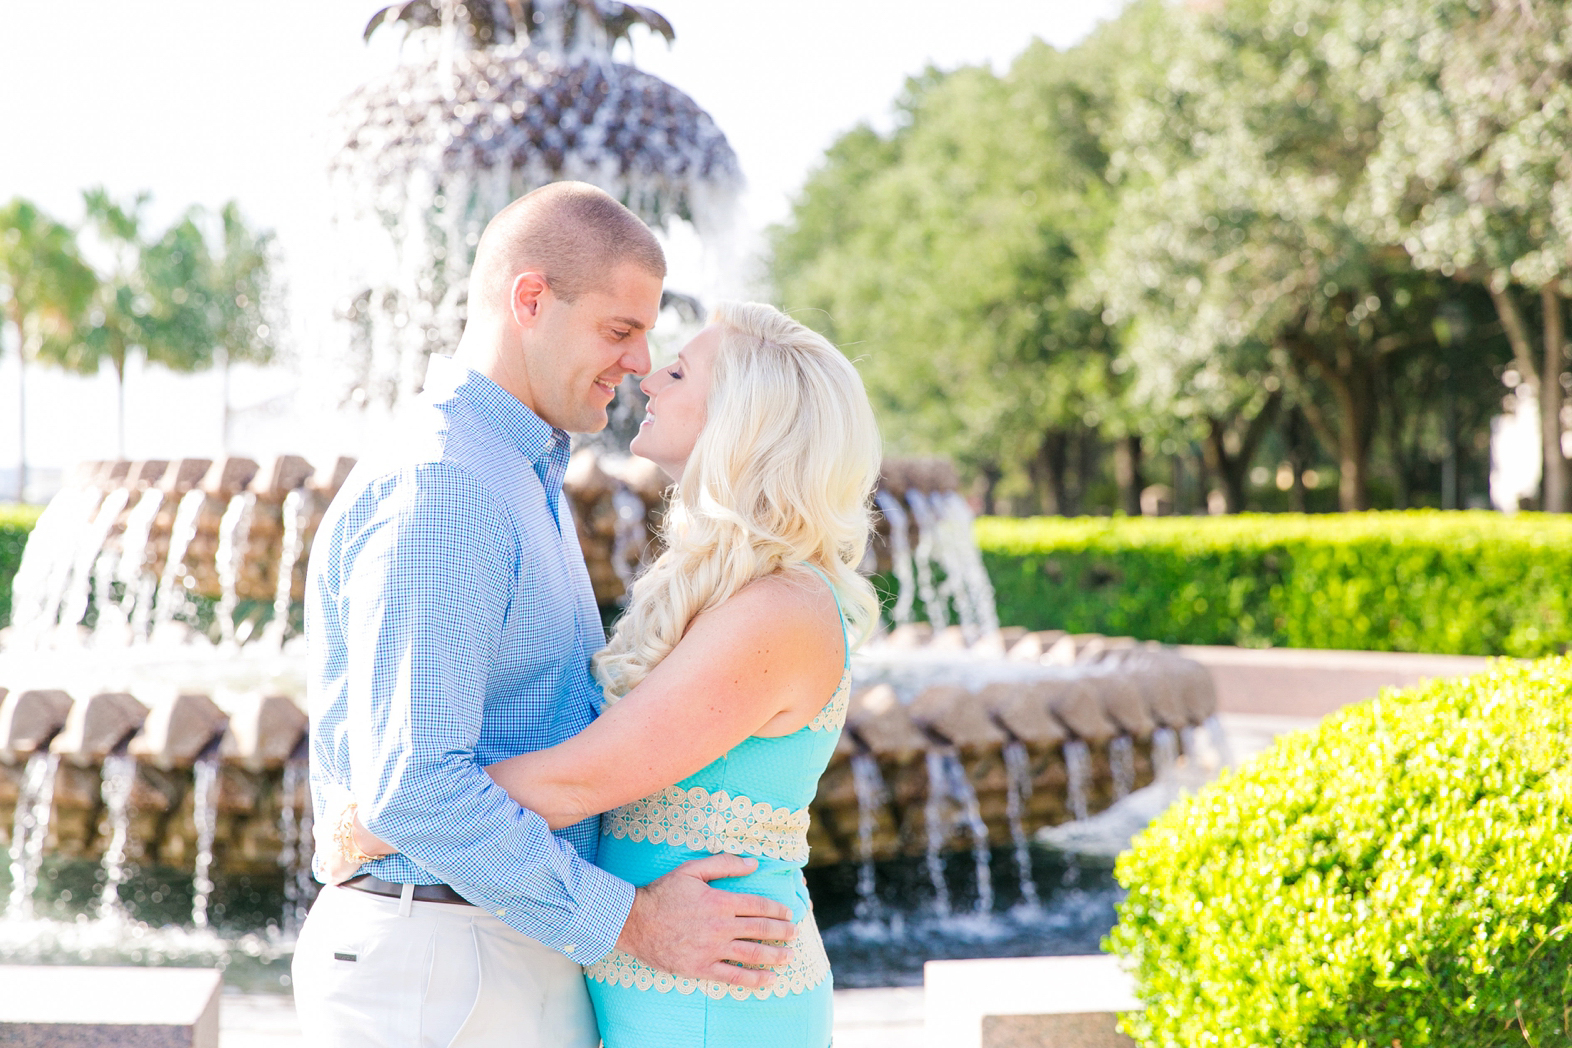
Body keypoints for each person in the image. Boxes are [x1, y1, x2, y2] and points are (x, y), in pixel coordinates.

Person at [292, 182, 802, 1048]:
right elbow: (414, 786)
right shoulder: (448, 483)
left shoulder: (517, 470)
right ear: (530, 300)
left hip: (481, 950)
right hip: (441, 961)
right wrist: (634, 922)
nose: (641, 362)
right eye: (619, 329)